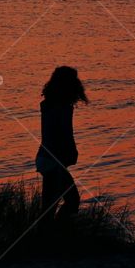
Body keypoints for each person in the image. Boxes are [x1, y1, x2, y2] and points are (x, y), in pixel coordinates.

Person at [35, 66, 87, 229]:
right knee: (71, 201)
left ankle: (51, 234)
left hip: (44, 158)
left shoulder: (46, 104)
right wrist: (72, 152)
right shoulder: (64, 107)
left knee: (50, 206)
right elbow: (66, 133)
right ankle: (54, 234)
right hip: (54, 161)